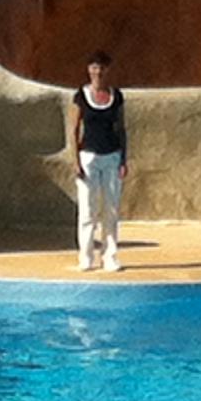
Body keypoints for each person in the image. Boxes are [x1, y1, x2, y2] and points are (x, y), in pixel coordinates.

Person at [70, 50, 127, 272]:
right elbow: (74, 129)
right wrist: (75, 161)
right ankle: (86, 257)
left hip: (112, 156)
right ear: (88, 70)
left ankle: (110, 256)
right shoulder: (81, 96)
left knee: (111, 209)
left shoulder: (116, 96)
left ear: (108, 70)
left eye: (102, 67)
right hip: (88, 158)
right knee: (88, 210)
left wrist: (123, 159)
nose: (98, 72)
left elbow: (121, 129)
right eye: (94, 67)